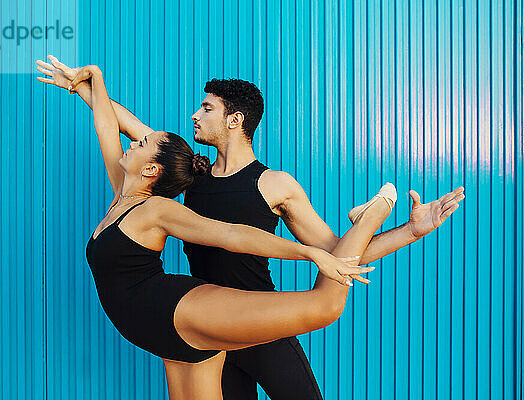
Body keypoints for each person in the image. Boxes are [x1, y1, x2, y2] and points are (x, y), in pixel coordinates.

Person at [36, 57, 465, 400]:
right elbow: (124, 129)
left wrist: (411, 232)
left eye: (206, 108)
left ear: (234, 119)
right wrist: (85, 88)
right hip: (202, 321)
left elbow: (336, 254)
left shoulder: (275, 184)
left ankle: (369, 216)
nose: (194, 116)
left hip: (256, 319)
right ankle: (368, 217)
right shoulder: (189, 174)